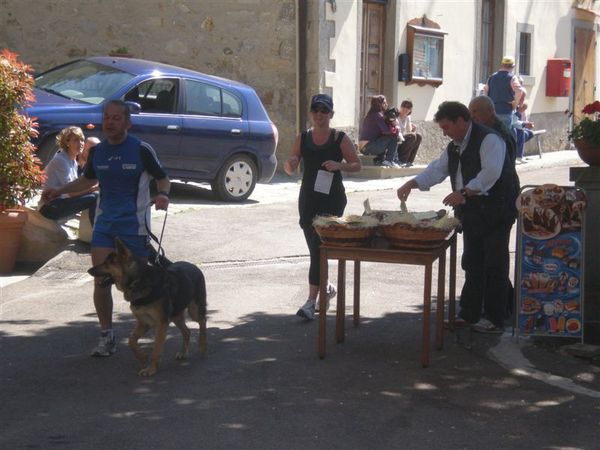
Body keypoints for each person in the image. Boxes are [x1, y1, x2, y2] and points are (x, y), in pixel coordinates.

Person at [41, 100, 171, 356]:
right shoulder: (98, 153)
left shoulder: (141, 150)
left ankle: (145, 329)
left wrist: (163, 194)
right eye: (106, 117)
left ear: (127, 123)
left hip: (134, 227)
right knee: (101, 280)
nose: (110, 122)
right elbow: (88, 179)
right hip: (105, 226)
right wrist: (60, 191)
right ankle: (107, 335)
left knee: (139, 283)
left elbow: (162, 178)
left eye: (116, 118)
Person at [396, 101, 520, 333]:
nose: (445, 133)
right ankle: (470, 313)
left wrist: (463, 192)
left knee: (494, 263)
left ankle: (495, 317)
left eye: (447, 127)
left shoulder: (489, 139)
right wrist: (412, 183)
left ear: (461, 121)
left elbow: (491, 173)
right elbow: (438, 169)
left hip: (496, 209)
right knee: (472, 262)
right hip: (472, 211)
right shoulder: (454, 146)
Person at [284, 93, 361, 320]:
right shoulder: (303, 137)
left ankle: (310, 302)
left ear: (331, 114)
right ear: (310, 113)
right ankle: (326, 288)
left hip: (332, 199)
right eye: (316, 110)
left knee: (319, 248)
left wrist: (340, 165)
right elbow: (290, 166)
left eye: (324, 110)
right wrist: (291, 164)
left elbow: (357, 165)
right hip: (308, 199)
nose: (319, 114)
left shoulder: (339, 138)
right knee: (315, 248)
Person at [38, 126, 99, 225]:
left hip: (60, 202)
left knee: (95, 196)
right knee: (94, 198)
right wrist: (93, 189)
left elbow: (76, 188)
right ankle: (97, 235)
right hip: (49, 207)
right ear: (67, 142)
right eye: (76, 140)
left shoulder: (72, 161)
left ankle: (97, 233)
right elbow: (70, 193)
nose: (81, 144)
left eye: (82, 140)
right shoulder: (61, 160)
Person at [468, 95, 517, 164]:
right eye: (470, 113)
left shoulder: (501, 134)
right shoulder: (483, 130)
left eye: (475, 111)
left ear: (489, 110)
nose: (472, 116)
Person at [484, 56, 527, 129]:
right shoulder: (512, 77)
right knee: (505, 136)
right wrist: (515, 104)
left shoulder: (491, 77)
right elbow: (519, 90)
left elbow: (485, 92)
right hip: (505, 111)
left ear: (502, 65)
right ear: (513, 66)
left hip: (493, 112)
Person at [359, 95, 400, 167]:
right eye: (384, 103)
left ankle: (381, 160)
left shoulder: (371, 114)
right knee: (394, 137)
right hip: (368, 147)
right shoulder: (377, 115)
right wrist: (396, 127)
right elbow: (387, 131)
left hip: (364, 148)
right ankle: (388, 160)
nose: (386, 104)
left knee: (384, 137)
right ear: (379, 104)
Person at [395, 99, 422, 167]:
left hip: (403, 140)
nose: (405, 109)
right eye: (404, 106)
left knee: (418, 136)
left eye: (408, 107)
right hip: (396, 140)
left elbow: (410, 131)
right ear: (401, 107)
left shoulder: (408, 117)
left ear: (410, 110)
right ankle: (402, 160)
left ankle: (409, 161)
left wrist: (414, 129)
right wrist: (412, 133)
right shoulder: (395, 116)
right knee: (412, 136)